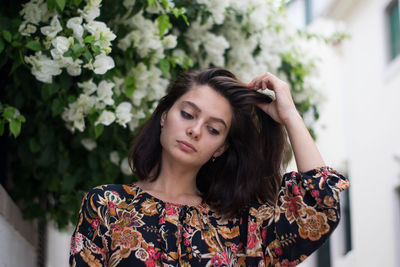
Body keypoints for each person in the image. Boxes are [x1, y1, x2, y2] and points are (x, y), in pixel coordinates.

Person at [69, 68, 349, 267]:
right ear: (165, 115)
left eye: (213, 129)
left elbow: (319, 209)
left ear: (221, 148)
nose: (195, 130)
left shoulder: (243, 225)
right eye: (188, 114)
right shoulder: (107, 205)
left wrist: (289, 115)